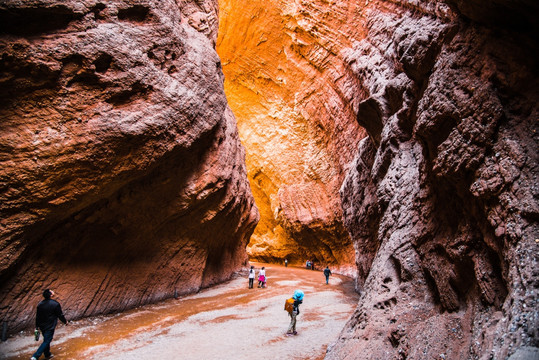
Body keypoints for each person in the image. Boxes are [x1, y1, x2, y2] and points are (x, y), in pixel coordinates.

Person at [31, 289, 68, 360]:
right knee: (47, 340)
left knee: (46, 339)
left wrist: (36, 326)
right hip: (50, 325)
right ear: (51, 294)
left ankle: (47, 354)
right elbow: (60, 315)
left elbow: (37, 316)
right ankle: (35, 356)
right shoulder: (55, 304)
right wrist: (65, 321)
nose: (53, 291)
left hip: (42, 325)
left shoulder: (40, 304)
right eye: (51, 291)